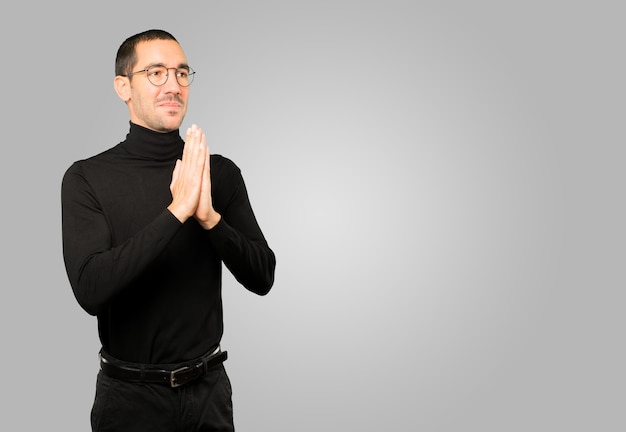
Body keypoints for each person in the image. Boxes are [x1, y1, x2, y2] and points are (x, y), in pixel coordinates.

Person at [61, 29, 276, 431]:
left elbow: (263, 276)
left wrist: (210, 219)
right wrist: (177, 211)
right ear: (123, 86)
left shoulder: (219, 173)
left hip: (209, 392)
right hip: (130, 398)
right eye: (156, 73)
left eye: (181, 73)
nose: (173, 85)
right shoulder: (86, 178)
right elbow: (90, 290)